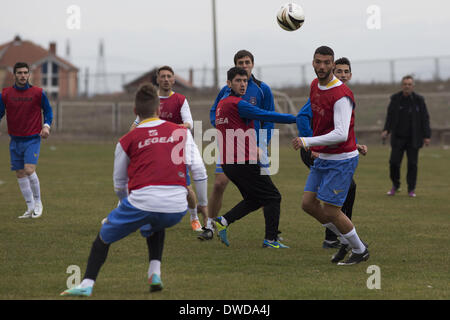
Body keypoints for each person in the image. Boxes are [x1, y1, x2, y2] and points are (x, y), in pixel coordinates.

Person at [61, 83, 207, 296]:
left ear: (135, 112)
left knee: (103, 236)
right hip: (176, 208)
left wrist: (126, 203)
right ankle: (154, 273)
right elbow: (198, 169)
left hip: (143, 201)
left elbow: (119, 184)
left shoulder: (126, 140)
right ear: (159, 108)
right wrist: (202, 203)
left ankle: (86, 285)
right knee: (156, 222)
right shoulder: (180, 132)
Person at [292, 46, 369, 265]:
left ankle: (359, 249)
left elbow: (340, 134)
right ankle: (346, 238)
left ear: (333, 65)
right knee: (308, 204)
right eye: (318, 62)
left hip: (341, 160)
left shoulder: (341, 95)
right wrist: (316, 143)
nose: (322, 66)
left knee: (332, 210)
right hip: (323, 157)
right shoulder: (315, 85)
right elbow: (318, 121)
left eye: (327, 62)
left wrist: (308, 141)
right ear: (313, 62)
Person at [213, 67, 296, 248]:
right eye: (238, 81)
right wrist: (294, 119)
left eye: (244, 81)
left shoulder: (222, 104)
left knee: (254, 199)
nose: (242, 84)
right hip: (242, 161)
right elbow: (265, 115)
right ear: (229, 84)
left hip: (229, 163)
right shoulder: (237, 104)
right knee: (273, 197)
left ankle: (223, 221)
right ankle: (271, 240)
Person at [198, 49, 276, 241]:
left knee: (265, 191)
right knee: (219, 183)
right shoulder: (226, 91)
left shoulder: (262, 89)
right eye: (240, 62)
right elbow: (214, 112)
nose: (244, 65)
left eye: (247, 62)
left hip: (255, 149)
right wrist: (223, 127)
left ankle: (273, 234)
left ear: (252, 64)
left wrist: (261, 145)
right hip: (230, 148)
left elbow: (269, 120)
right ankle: (210, 225)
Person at [130, 66, 207, 231]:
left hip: (177, 147)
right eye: (162, 76)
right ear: (157, 80)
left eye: (169, 76)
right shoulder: (151, 101)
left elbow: (190, 124)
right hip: (156, 147)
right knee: (140, 182)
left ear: (173, 80)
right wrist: (127, 140)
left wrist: (175, 127)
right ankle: (125, 215)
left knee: (186, 187)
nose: (166, 79)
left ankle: (194, 218)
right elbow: (137, 123)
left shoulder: (180, 99)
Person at [0, 62, 53, 219]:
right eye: (19, 73)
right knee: (20, 173)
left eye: (25, 72)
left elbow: (48, 111)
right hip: (14, 140)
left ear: (29, 74)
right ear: (14, 74)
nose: (23, 75)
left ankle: (38, 203)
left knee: (29, 170)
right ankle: (29, 207)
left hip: (32, 139)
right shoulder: (5, 94)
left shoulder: (38, 93)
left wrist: (46, 126)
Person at [381, 75, 431, 197]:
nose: (407, 86)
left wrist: (426, 135)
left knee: (412, 164)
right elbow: (390, 116)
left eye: (409, 84)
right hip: (398, 137)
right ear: (402, 85)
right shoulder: (395, 99)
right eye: (405, 84)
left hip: (414, 138)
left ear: (413, 86)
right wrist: (386, 130)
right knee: (393, 163)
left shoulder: (419, 100)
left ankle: (411, 189)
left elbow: (425, 118)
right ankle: (396, 185)